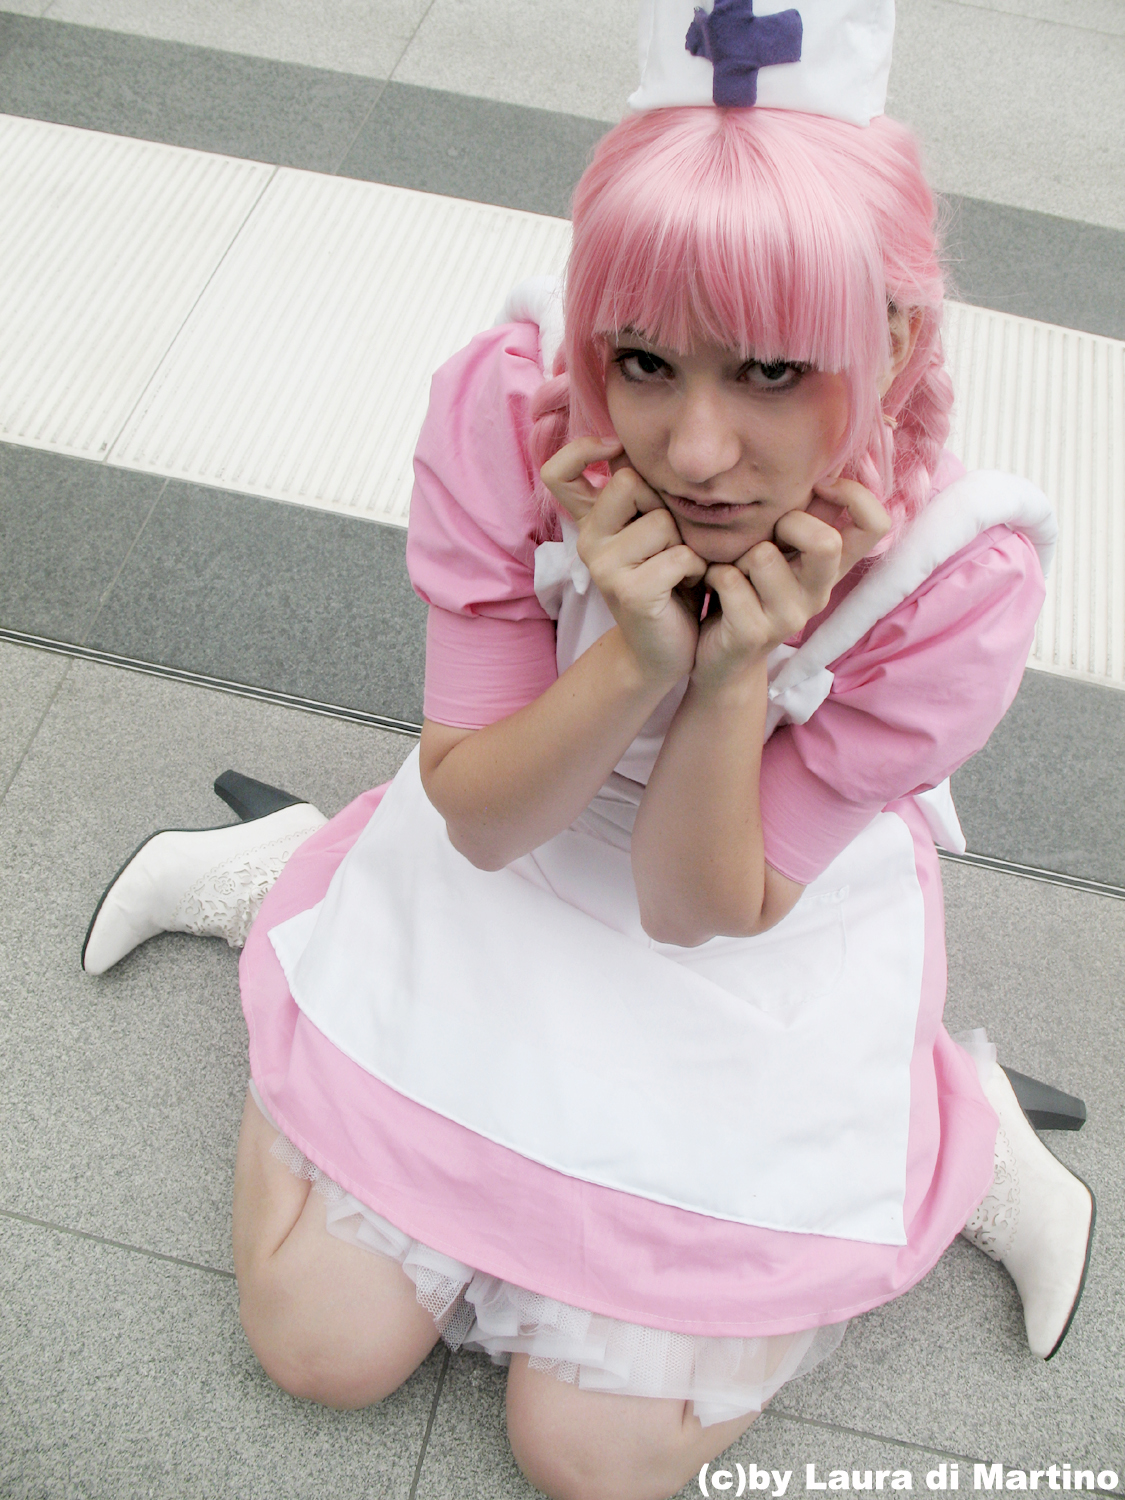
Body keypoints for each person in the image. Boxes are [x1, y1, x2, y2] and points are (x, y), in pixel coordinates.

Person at [82, 4, 1095, 1497]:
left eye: (770, 371)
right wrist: (636, 653)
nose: (694, 450)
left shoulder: (952, 574)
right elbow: (485, 820)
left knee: (589, 1459)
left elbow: (700, 909)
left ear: (890, 342)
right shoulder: (512, 413)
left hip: (749, 932)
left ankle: (951, 1121)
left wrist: (733, 674)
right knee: (318, 1344)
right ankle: (308, 871)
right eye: (642, 359)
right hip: (510, 837)